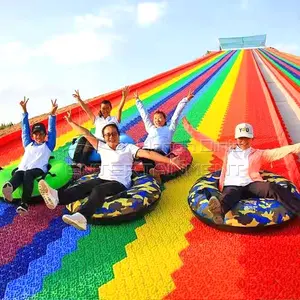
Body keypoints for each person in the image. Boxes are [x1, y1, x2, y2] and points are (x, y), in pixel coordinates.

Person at [38, 111, 184, 230]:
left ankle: (82, 217)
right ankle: (56, 197)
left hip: (119, 182)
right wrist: (70, 122)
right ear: (104, 137)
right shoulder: (102, 147)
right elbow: (86, 133)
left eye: (113, 133)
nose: (111, 136)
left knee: (99, 190)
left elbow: (149, 154)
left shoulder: (128, 148)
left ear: (118, 135)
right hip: (103, 177)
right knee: (84, 186)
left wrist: (170, 160)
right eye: (107, 134)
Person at [183, 118, 300, 224]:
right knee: (229, 196)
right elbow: (207, 142)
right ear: (236, 139)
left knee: (273, 188)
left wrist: (296, 147)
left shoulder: (259, 154)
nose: (244, 140)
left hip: (252, 185)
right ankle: (218, 212)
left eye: (247, 137)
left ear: (252, 138)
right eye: (241, 138)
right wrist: (190, 129)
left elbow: (277, 152)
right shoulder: (227, 152)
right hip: (232, 185)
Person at [2, 97, 58, 215]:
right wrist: (24, 111)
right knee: (19, 173)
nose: (38, 136)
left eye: (41, 134)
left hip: (38, 169)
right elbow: (24, 130)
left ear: (44, 135)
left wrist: (52, 115)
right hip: (23, 168)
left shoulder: (48, 146)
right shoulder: (28, 144)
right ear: (32, 135)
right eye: (35, 134)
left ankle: (24, 203)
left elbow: (52, 130)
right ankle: (10, 188)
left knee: (28, 174)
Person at [134, 89, 194, 182]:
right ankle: (151, 171)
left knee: (144, 154)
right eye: (155, 118)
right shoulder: (151, 128)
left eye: (160, 118)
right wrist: (138, 101)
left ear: (165, 119)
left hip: (159, 151)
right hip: (145, 150)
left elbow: (176, 115)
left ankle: (151, 173)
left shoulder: (169, 129)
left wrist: (185, 100)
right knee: (136, 152)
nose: (157, 120)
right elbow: (144, 116)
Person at [72, 86, 130, 165]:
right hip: (95, 138)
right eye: (103, 108)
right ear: (101, 109)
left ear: (110, 108)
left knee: (89, 143)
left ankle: (83, 163)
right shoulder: (97, 119)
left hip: (104, 141)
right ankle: (75, 162)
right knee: (83, 138)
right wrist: (79, 100)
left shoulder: (114, 119)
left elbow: (119, 109)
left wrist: (124, 96)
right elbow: (87, 110)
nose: (105, 110)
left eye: (107, 108)